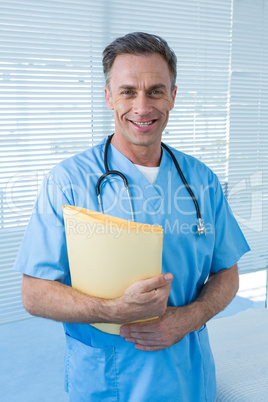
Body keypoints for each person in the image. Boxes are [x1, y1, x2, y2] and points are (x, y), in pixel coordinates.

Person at [14, 32, 250, 401]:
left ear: (173, 95)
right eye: (128, 91)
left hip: (189, 375)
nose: (142, 107)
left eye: (155, 91)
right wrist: (114, 310)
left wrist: (188, 318)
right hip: (110, 381)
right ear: (109, 97)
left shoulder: (200, 179)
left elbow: (228, 272)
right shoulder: (68, 181)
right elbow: (35, 294)